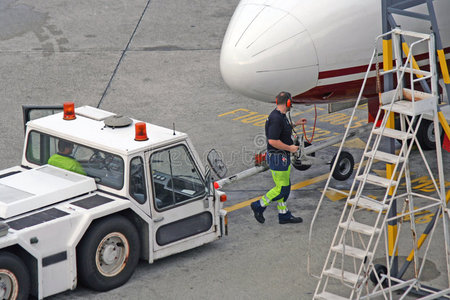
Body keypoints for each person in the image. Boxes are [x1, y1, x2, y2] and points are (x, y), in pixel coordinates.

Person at [250, 91, 306, 224]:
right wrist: (291, 148)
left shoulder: (281, 116)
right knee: (282, 189)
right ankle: (259, 205)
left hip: (283, 157)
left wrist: (296, 124)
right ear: (288, 103)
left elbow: (283, 130)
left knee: (285, 186)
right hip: (278, 158)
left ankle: (283, 214)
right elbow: (273, 141)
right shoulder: (276, 118)